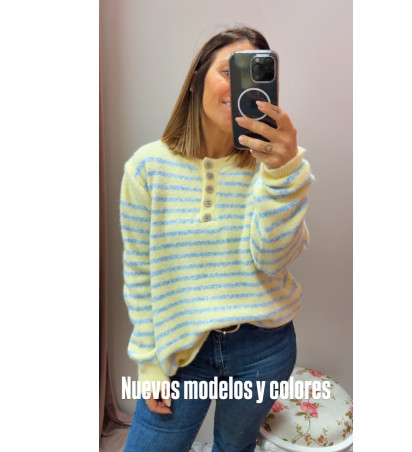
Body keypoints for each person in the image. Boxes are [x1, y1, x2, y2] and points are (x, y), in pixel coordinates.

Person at [120, 26, 313, 452]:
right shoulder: (147, 168)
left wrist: (283, 176)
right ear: (196, 81)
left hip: (263, 348)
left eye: (257, 74)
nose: (240, 86)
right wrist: (149, 363)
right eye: (230, 71)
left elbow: (273, 259)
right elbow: (139, 275)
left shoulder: (279, 167)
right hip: (180, 347)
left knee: (234, 448)